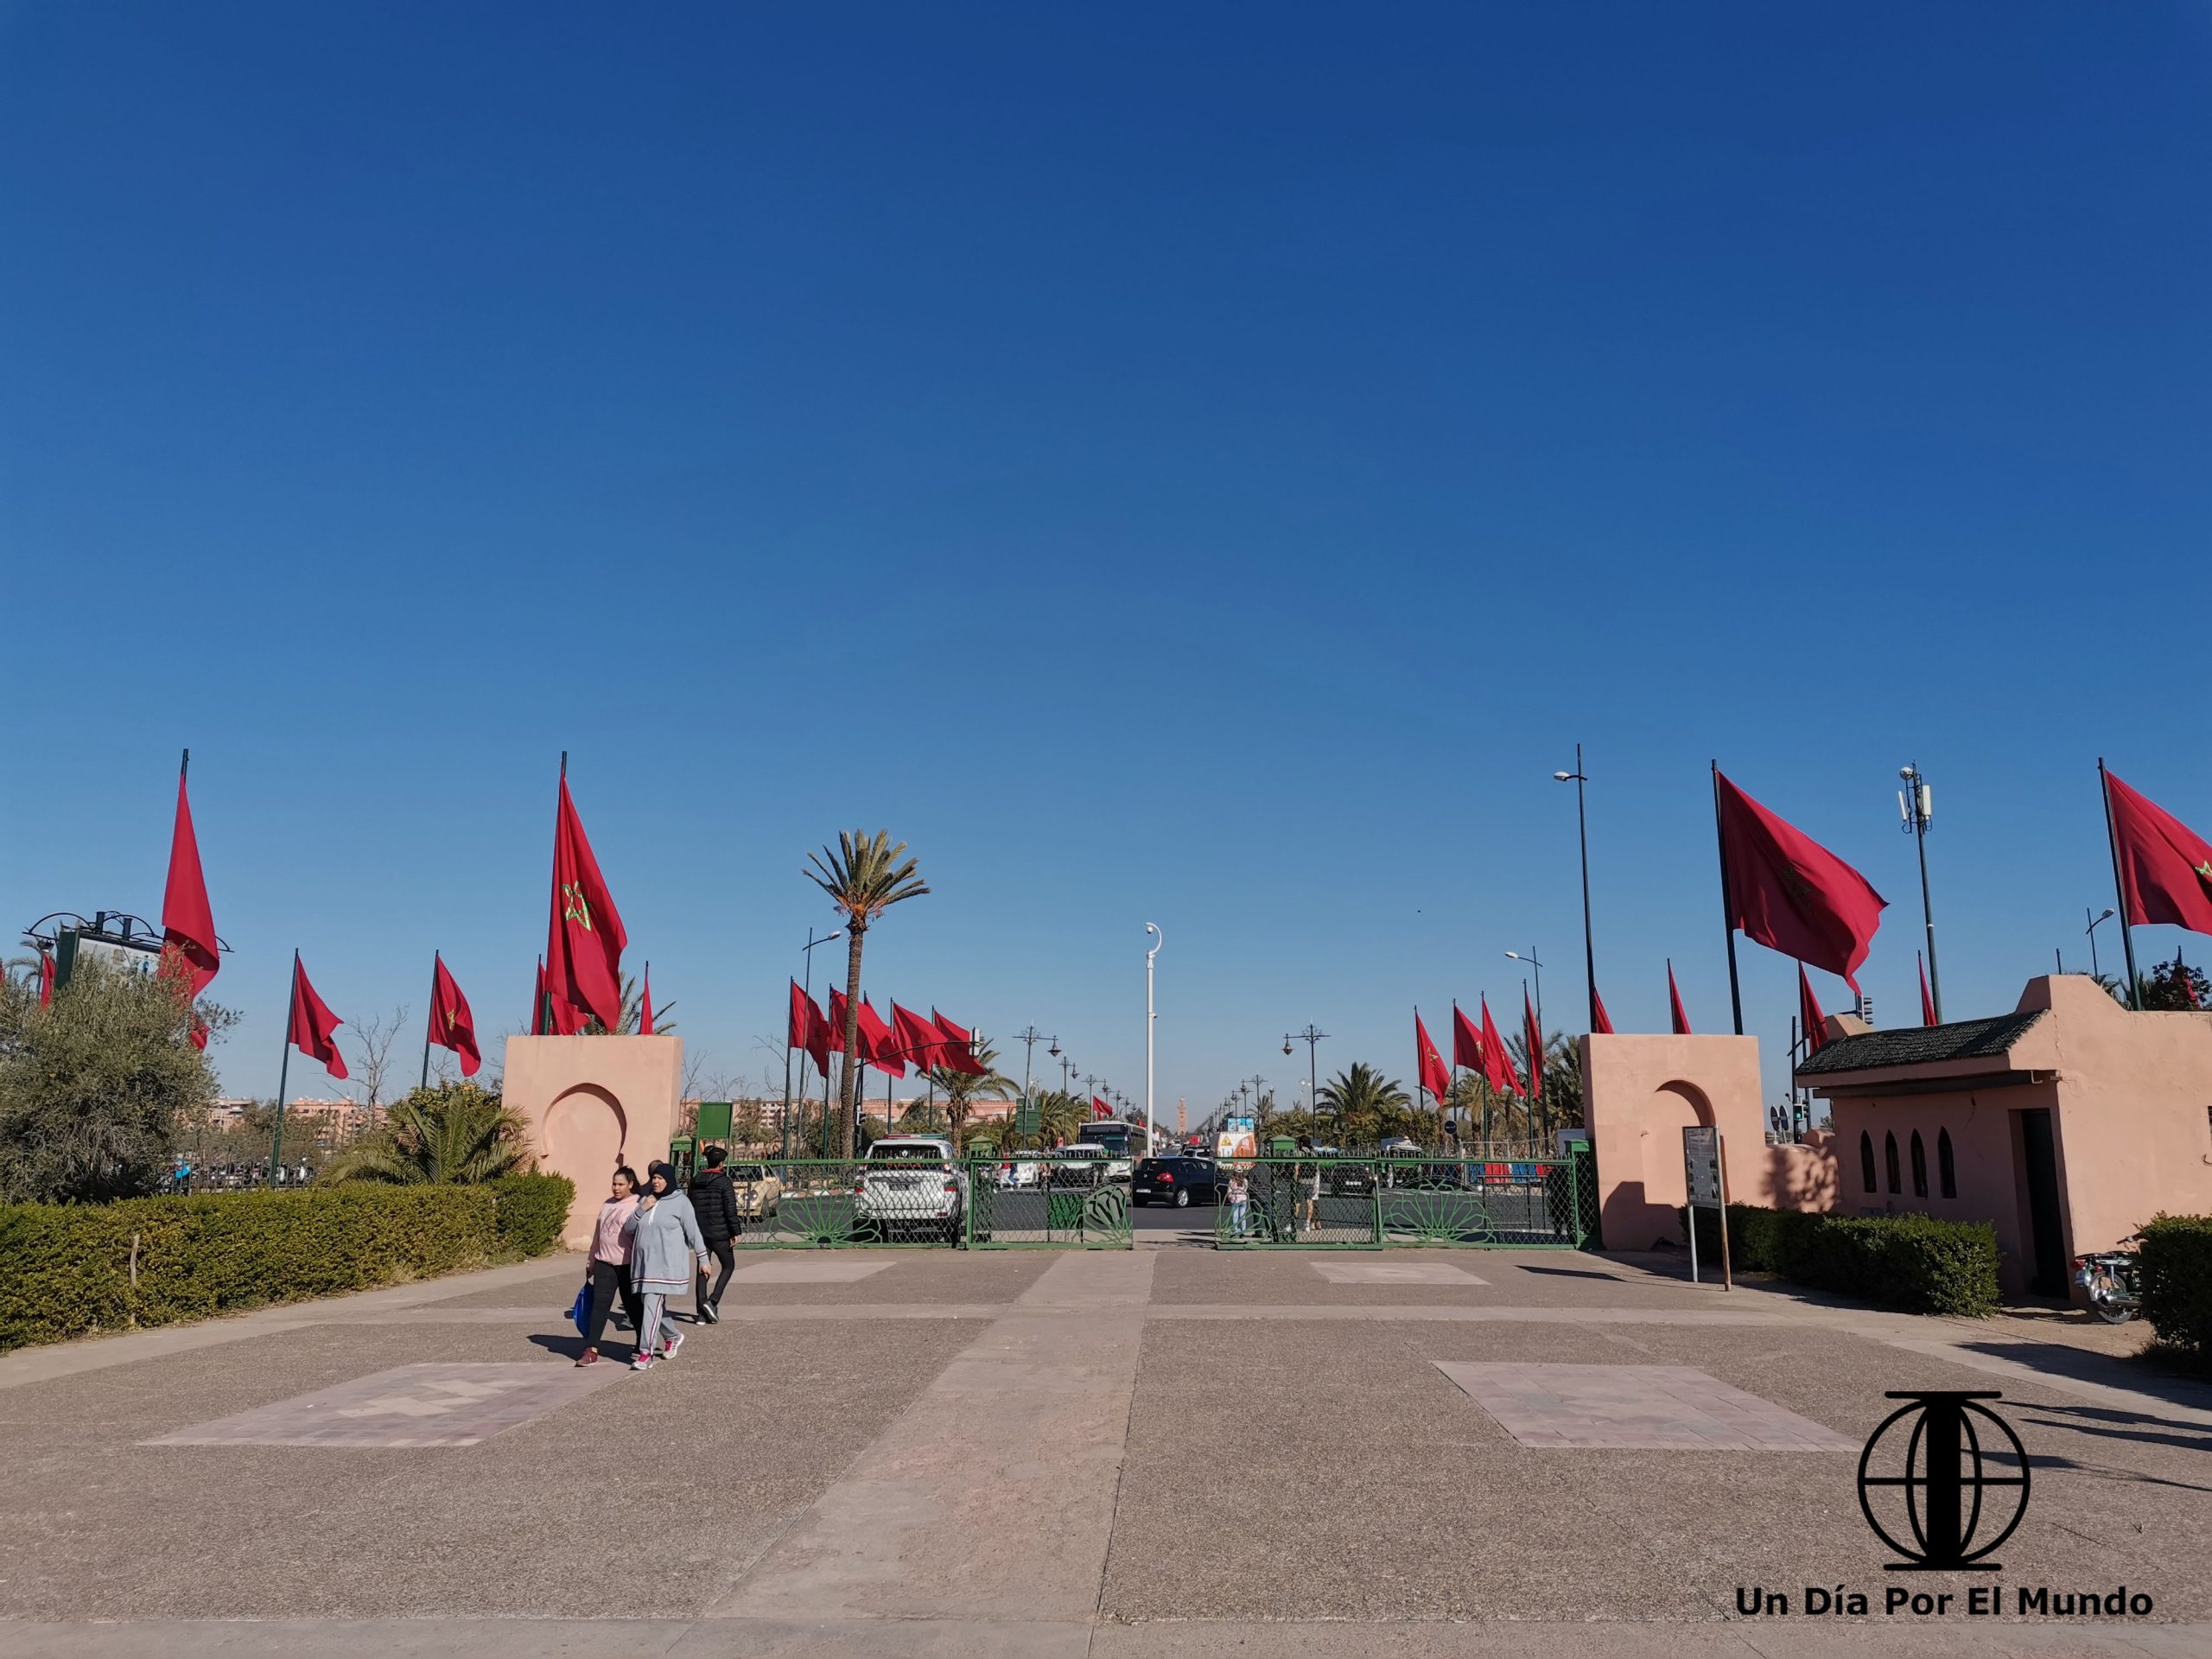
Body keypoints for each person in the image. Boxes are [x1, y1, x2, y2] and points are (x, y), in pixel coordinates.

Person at [624, 1160, 709, 1370]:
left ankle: (646, 1354)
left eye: (660, 1178)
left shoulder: (681, 1203)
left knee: (651, 1306)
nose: (655, 1182)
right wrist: (642, 1209)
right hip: (643, 1266)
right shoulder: (646, 1200)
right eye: (654, 1178)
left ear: (669, 1180)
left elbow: (693, 1232)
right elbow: (629, 1228)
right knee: (651, 1307)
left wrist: (703, 1259)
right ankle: (673, 1335)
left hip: (665, 1266)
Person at [575, 1165, 645, 1368]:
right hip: (604, 1263)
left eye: (620, 1184)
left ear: (630, 1184)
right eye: (614, 1184)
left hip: (627, 1265)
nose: (615, 1188)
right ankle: (591, 1349)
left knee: (633, 1306)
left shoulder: (638, 1204)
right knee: (599, 1305)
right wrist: (591, 1259)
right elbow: (599, 1234)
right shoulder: (607, 1204)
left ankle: (643, 1343)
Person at [687, 1147, 741, 1323]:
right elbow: (730, 1209)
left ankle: (701, 1313)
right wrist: (735, 1231)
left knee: (702, 1267)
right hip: (720, 1233)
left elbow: (689, 1206)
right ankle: (712, 1301)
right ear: (721, 1163)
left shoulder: (695, 1180)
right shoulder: (724, 1181)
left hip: (700, 1232)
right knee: (729, 1265)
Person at [1227, 1166, 1250, 1239]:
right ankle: (1243, 1231)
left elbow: (1229, 1190)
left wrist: (1230, 1197)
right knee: (1243, 1216)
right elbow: (1245, 1189)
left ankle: (1235, 1230)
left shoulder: (1232, 1181)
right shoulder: (1245, 1180)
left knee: (1235, 1215)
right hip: (1243, 1198)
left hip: (1235, 1198)